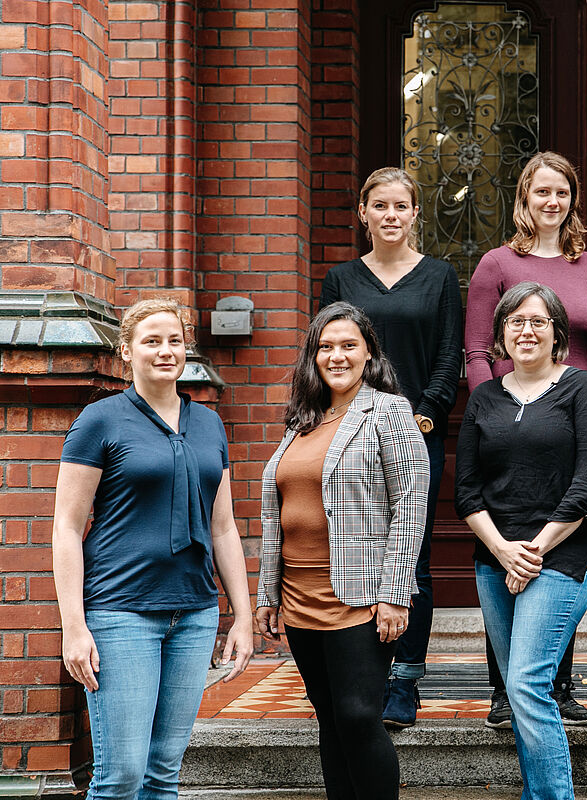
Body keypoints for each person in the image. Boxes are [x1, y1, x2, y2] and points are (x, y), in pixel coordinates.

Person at [52, 298, 254, 800]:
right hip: (120, 614)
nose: (166, 352)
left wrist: (243, 617)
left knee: (164, 775)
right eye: (152, 341)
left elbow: (224, 528)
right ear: (126, 352)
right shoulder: (99, 421)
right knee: (120, 775)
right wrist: (74, 627)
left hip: (193, 614)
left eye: (175, 341)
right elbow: (66, 527)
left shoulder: (209, 423)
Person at [464, 151, 587, 727]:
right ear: (524, 199)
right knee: (507, 534)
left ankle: (556, 683)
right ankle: (506, 690)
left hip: (579, 421)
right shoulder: (496, 264)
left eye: (561, 193)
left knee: (566, 542)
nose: (551, 202)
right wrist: (498, 413)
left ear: (571, 200)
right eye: (541, 192)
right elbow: (478, 350)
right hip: (515, 419)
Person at [256, 302, 430, 800]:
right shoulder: (302, 420)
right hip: (299, 595)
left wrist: (397, 592)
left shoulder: (389, 410)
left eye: (348, 345)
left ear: (369, 352)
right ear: (312, 356)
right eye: (325, 347)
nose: (336, 356)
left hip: (359, 597)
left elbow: (411, 504)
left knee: (357, 714)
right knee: (330, 718)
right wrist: (268, 593)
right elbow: (279, 513)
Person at [455, 282, 587, 799]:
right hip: (494, 558)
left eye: (538, 321)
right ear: (500, 333)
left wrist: (534, 550)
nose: (526, 330)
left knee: (525, 683)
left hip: (562, 554)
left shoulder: (586, 390)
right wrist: (503, 550)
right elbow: (466, 490)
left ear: (557, 334)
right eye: (515, 321)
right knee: (523, 689)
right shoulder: (484, 397)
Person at [319, 166, 463, 727]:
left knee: (413, 562)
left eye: (401, 206)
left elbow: (449, 358)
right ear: (364, 214)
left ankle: (405, 680)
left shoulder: (439, 277)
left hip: (415, 436)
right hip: (351, 436)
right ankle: (365, 674)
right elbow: (329, 351)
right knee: (358, 552)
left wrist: (421, 418)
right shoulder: (342, 279)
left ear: (415, 215)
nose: (390, 216)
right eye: (380, 206)